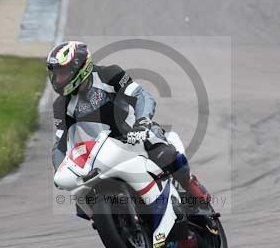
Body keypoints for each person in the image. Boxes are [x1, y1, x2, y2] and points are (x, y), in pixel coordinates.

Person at [47, 40, 211, 218]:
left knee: (167, 155)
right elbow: (60, 144)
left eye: (63, 73)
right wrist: (60, 169)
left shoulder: (109, 75)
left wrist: (142, 123)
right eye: (55, 74)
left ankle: (196, 195)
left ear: (80, 68)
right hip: (103, 152)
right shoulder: (61, 105)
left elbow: (142, 96)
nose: (58, 79)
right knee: (84, 203)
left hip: (136, 135)